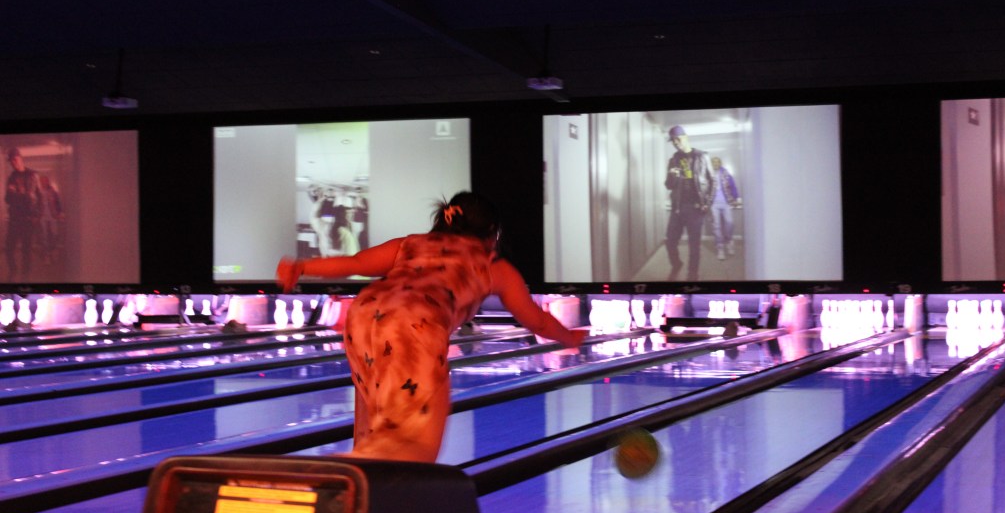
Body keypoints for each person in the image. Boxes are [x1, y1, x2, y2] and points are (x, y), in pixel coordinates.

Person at [277, 191, 588, 463]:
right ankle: (316, 481)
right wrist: (568, 336)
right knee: (415, 446)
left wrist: (302, 266)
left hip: (362, 317)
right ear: (492, 235)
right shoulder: (493, 265)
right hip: (414, 325)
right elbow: (536, 320)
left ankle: (354, 495)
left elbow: (355, 263)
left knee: (376, 433)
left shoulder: (411, 244)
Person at [663, 125, 713, 281]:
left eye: (678, 139)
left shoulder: (702, 156)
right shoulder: (673, 160)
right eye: (673, 141)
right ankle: (676, 264)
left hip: (696, 208)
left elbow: (713, 181)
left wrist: (707, 202)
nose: (676, 143)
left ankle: (692, 274)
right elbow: (668, 185)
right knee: (670, 241)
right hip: (677, 208)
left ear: (685, 137)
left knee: (694, 245)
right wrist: (672, 175)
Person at [4, 148, 42, 278]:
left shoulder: (33, 175)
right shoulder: (11, 178)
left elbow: (40, 196)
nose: (13, 163)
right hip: (15, 218)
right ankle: (13, 270)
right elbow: (7, 199)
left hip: (29, 218)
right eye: (11, 161)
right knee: (9, 248)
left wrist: (38, 216)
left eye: (15, 159)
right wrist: (11, 192)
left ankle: (25, 275)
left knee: (27, 249)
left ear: (20, 158)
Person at [709, 156, 742, 261]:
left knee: (729, 223)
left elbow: (733, 186)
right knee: (716, 226)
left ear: (720, 163)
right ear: (711, 164)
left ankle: (729, 241)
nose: (715, 163)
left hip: (726, 203)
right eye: (713, 162)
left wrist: (737, 198)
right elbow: (704, 188)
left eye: (717, 162)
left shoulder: (726, 173)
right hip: (714, 204)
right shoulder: (708, 174)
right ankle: (720, 247)